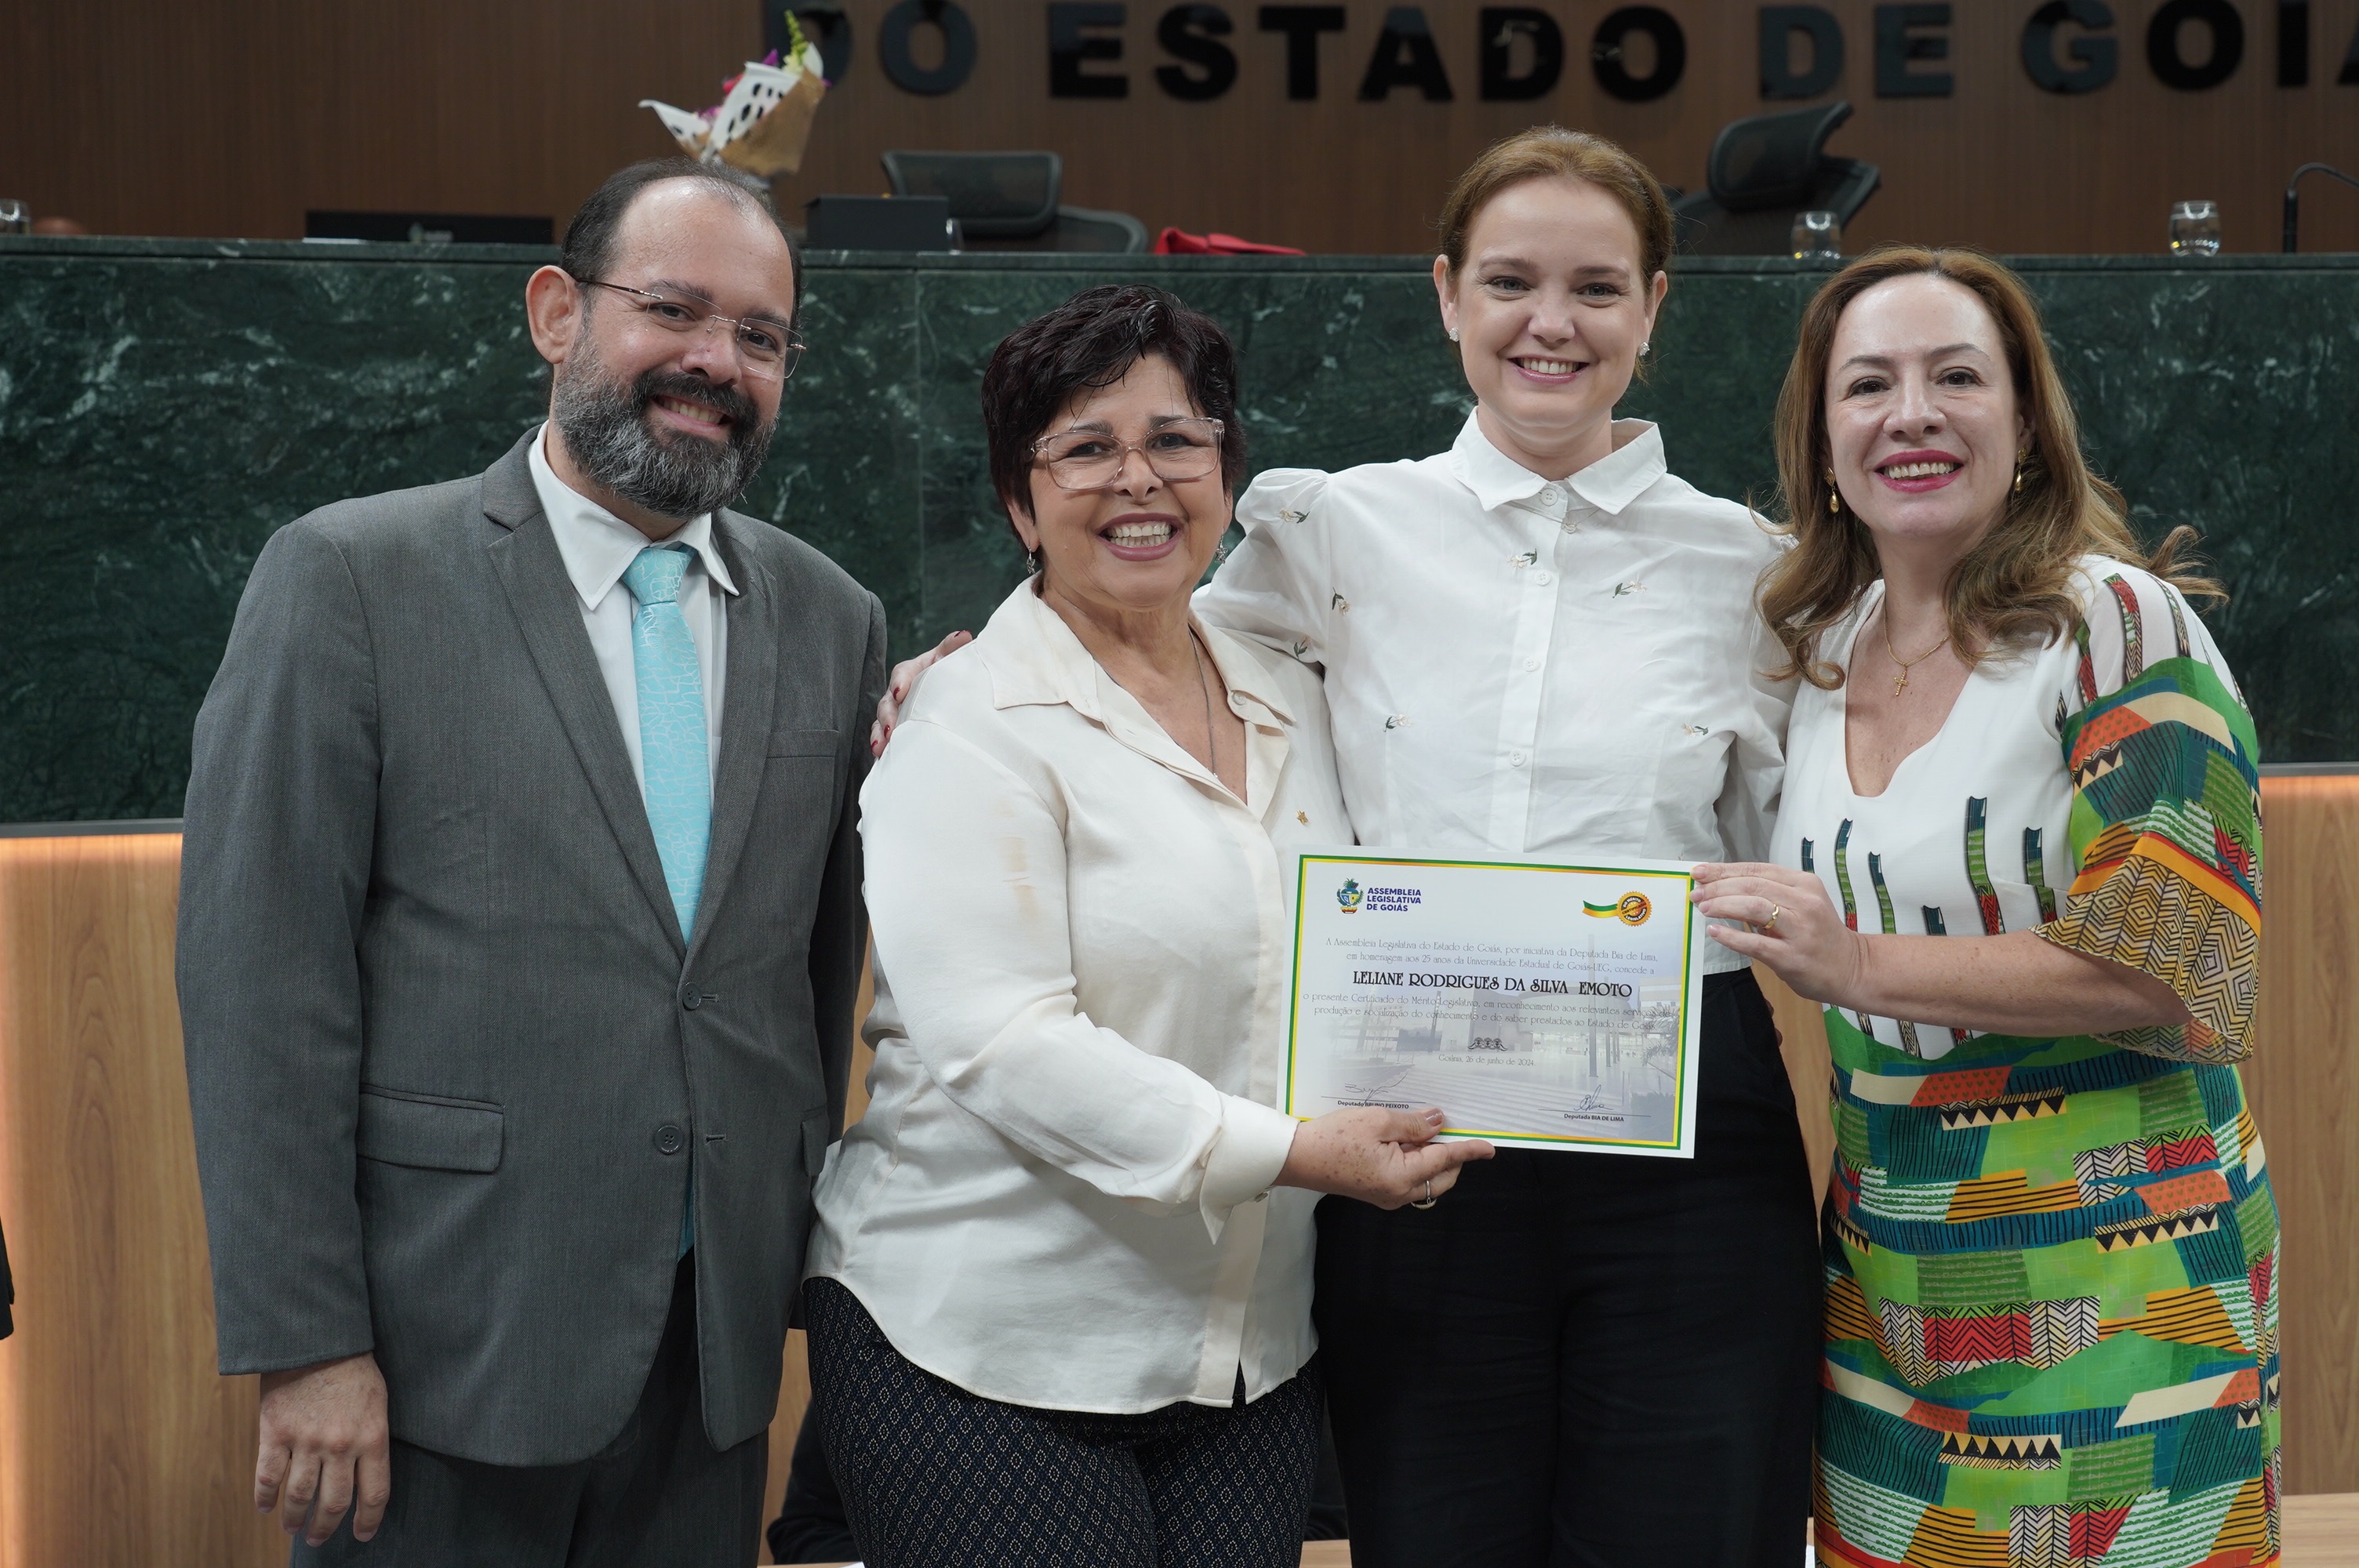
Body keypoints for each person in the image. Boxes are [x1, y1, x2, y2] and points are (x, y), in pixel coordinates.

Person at [875, 129, 1821, 1566]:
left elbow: (1810, 831)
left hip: (1681, 1129)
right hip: (1407, 1133)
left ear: (1654, 310)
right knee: (1432, 1531)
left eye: (1595, 288)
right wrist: (943, 679)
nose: (1550, 322)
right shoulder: (1329, 530)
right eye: (1509, 281)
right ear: (1447, 295)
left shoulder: (1752, 569)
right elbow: (1131, 648)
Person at [177, 158, 885, 1566]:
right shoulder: (352, 578)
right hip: (439, 1350)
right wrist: (309, 1343)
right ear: (558, 312)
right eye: (673, 310)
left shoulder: (834, 618)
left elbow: (808, 985)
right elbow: (262, 990)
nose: (716, 362)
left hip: (714, 1359)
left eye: (760, 336)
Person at [805, 284, 1492, 1568]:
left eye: (1176, 439)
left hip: (1247, 1353)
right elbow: (1004, 1043)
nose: (1139, 480)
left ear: (1227, 471)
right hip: (983, 1338)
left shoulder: (1297, 688)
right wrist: (1301, 1152)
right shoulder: (969, 721)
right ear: (1020, 504)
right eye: (1085, 447)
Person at [1696, 247, 2276, 1566]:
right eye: (1869, 385)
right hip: (1888, 1288)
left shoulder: (2115, 626)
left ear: (2025, 424)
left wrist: (1859, 966)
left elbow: (2184, 964)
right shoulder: (1814, 651)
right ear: (1822, 441)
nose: (1912, 414)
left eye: (1956, 377)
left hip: (2128, 1277)